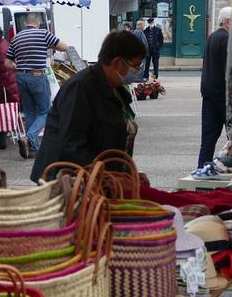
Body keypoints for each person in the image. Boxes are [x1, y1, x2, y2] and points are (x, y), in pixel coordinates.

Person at [30, 31, 146, 183]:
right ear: (118, 62)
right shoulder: (81, 88)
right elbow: (72, 144)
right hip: (69, 183)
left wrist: (127, 173)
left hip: (101, 180)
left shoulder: (116, 89)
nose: (137, 71)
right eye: (136, 66)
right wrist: (107, 177)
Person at [5, 13, 69, 159]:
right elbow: (65, 47)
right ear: (38, 23)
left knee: (29, 112)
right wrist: (50, 44)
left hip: (20, 76)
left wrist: (20, 68)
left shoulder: (17, 37)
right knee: (45, 111)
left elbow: (7, 63)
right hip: (37, 76)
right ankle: (29, 137)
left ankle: (33, 149)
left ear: (25, 23)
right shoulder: (43, 34)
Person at [197, 7, 232, 169]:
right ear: (228, 22)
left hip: (209, 92)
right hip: (222, 93)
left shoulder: (212, 37)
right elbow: (229, 70)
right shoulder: (226, 39)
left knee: (208, 139)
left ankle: (201, 168)